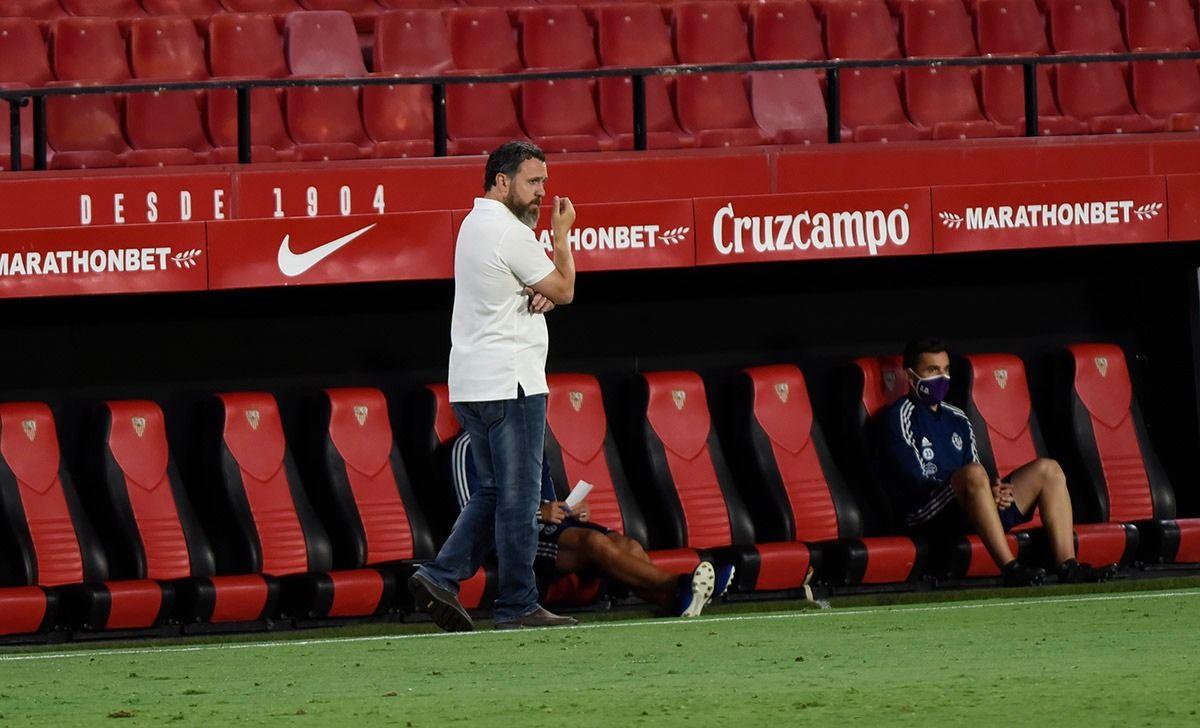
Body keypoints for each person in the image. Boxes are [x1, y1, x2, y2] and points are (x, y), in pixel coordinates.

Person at [408, 141, 580, 631]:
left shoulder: (474, 224)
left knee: (495, 490)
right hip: (513, 383)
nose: (542, 193)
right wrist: (561, 238)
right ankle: (518, 604)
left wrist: (535, 294)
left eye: (544, 182)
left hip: (471, 383)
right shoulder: (510, 232)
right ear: (501, 181)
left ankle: (440, 575)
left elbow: (520, 288)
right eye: (532, 182)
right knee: (519, 498)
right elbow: (564, 289)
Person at [873, 337, 1118, 586]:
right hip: (927, 513)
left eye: (946, 370)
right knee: (974, 475)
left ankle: (1069, 566)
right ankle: (1011, 568)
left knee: (1048, 470)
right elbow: (915, 481)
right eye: (932, 370)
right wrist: (972, 485)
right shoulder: (898, 416)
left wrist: (992, 490)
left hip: (968, 505)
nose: (942, 378)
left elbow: (974, 468)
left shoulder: (956, 417)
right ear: (911, 376)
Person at [449, 433, 736, 618]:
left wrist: (567, 509)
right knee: (594, 544)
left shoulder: (529, 443)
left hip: (542, 529)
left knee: (628, 545)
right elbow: (471, 517)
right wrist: (539, 513)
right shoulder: (467, 447)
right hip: (507, 540)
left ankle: (679, 603)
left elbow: (547, 500)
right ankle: (679, 584)